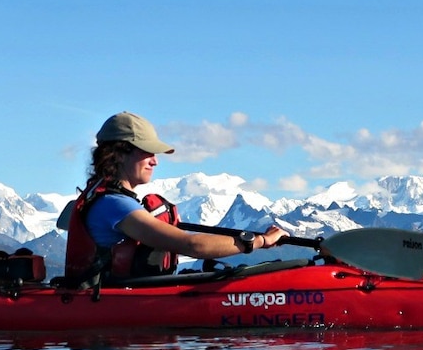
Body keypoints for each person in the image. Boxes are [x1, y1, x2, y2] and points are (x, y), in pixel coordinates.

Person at [65, 111, 289, 282]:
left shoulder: (101, 197)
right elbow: (192, 246)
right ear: (119, 154)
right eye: (146, 152)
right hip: (111, 307)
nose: (155, 161)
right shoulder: (115, 205)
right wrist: (260, 241)